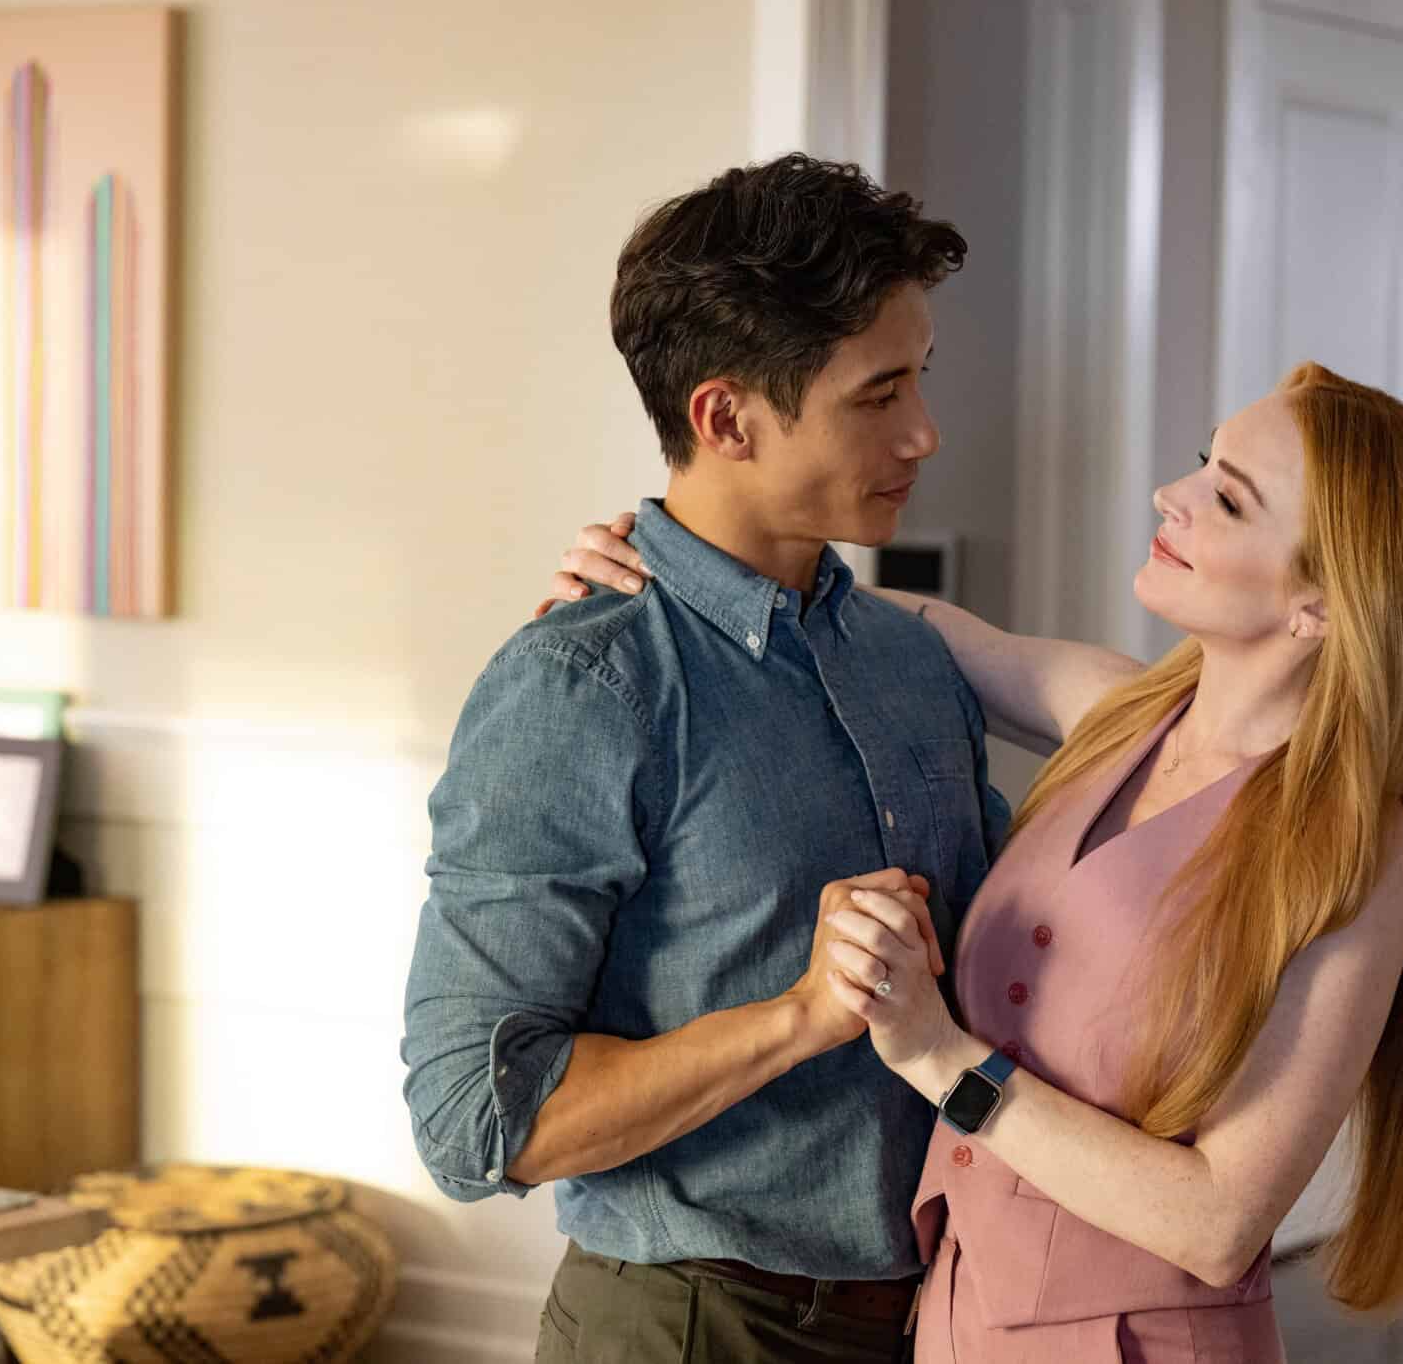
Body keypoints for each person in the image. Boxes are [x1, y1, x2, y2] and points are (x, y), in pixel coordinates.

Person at [551, 361, 1403, 1361]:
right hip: (952, 1323)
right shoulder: (1118, 713)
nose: (1171, 495)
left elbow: (1216, 1221)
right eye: (1203, 463)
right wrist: (668, 571)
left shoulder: (1359, 849)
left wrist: (940, 1059)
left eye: (1226, 497)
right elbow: (866, 623)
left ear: (1319, 605)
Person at [401, 153, 1013, 1364]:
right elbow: (477, 1121)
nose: (924, 433)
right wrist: (795, 1018)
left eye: (920, 382)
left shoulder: (910, 661)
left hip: (936, 1317)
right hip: (690, 1329)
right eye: (876, 394)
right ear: (723, 417)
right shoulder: (584, 684)